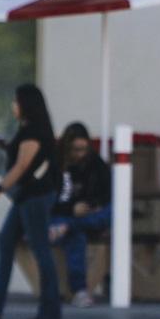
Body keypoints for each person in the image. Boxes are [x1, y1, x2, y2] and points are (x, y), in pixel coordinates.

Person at [0, 83, 61, 319]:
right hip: (26, 198)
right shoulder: (29, 130)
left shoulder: (34, 132)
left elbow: (22, 167)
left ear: (26, 104)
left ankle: (50, 309)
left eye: (16, 101)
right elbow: (23, 159)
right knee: (5, 242)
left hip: (34, 198)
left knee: (41, 250)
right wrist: (6, 146)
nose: (13, 106)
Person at [49, 122, 112, 308]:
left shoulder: (95, 162)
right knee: (76, 237)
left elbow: (106, 192)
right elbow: (48, 201)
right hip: (62, 214)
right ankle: (79, 291)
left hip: (87, 215)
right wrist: (71, 209)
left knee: (114, 211)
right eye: (76, 150)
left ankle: (67, 227)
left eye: (84, 149)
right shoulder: (55, 164)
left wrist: (93, 205)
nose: (80, 154)